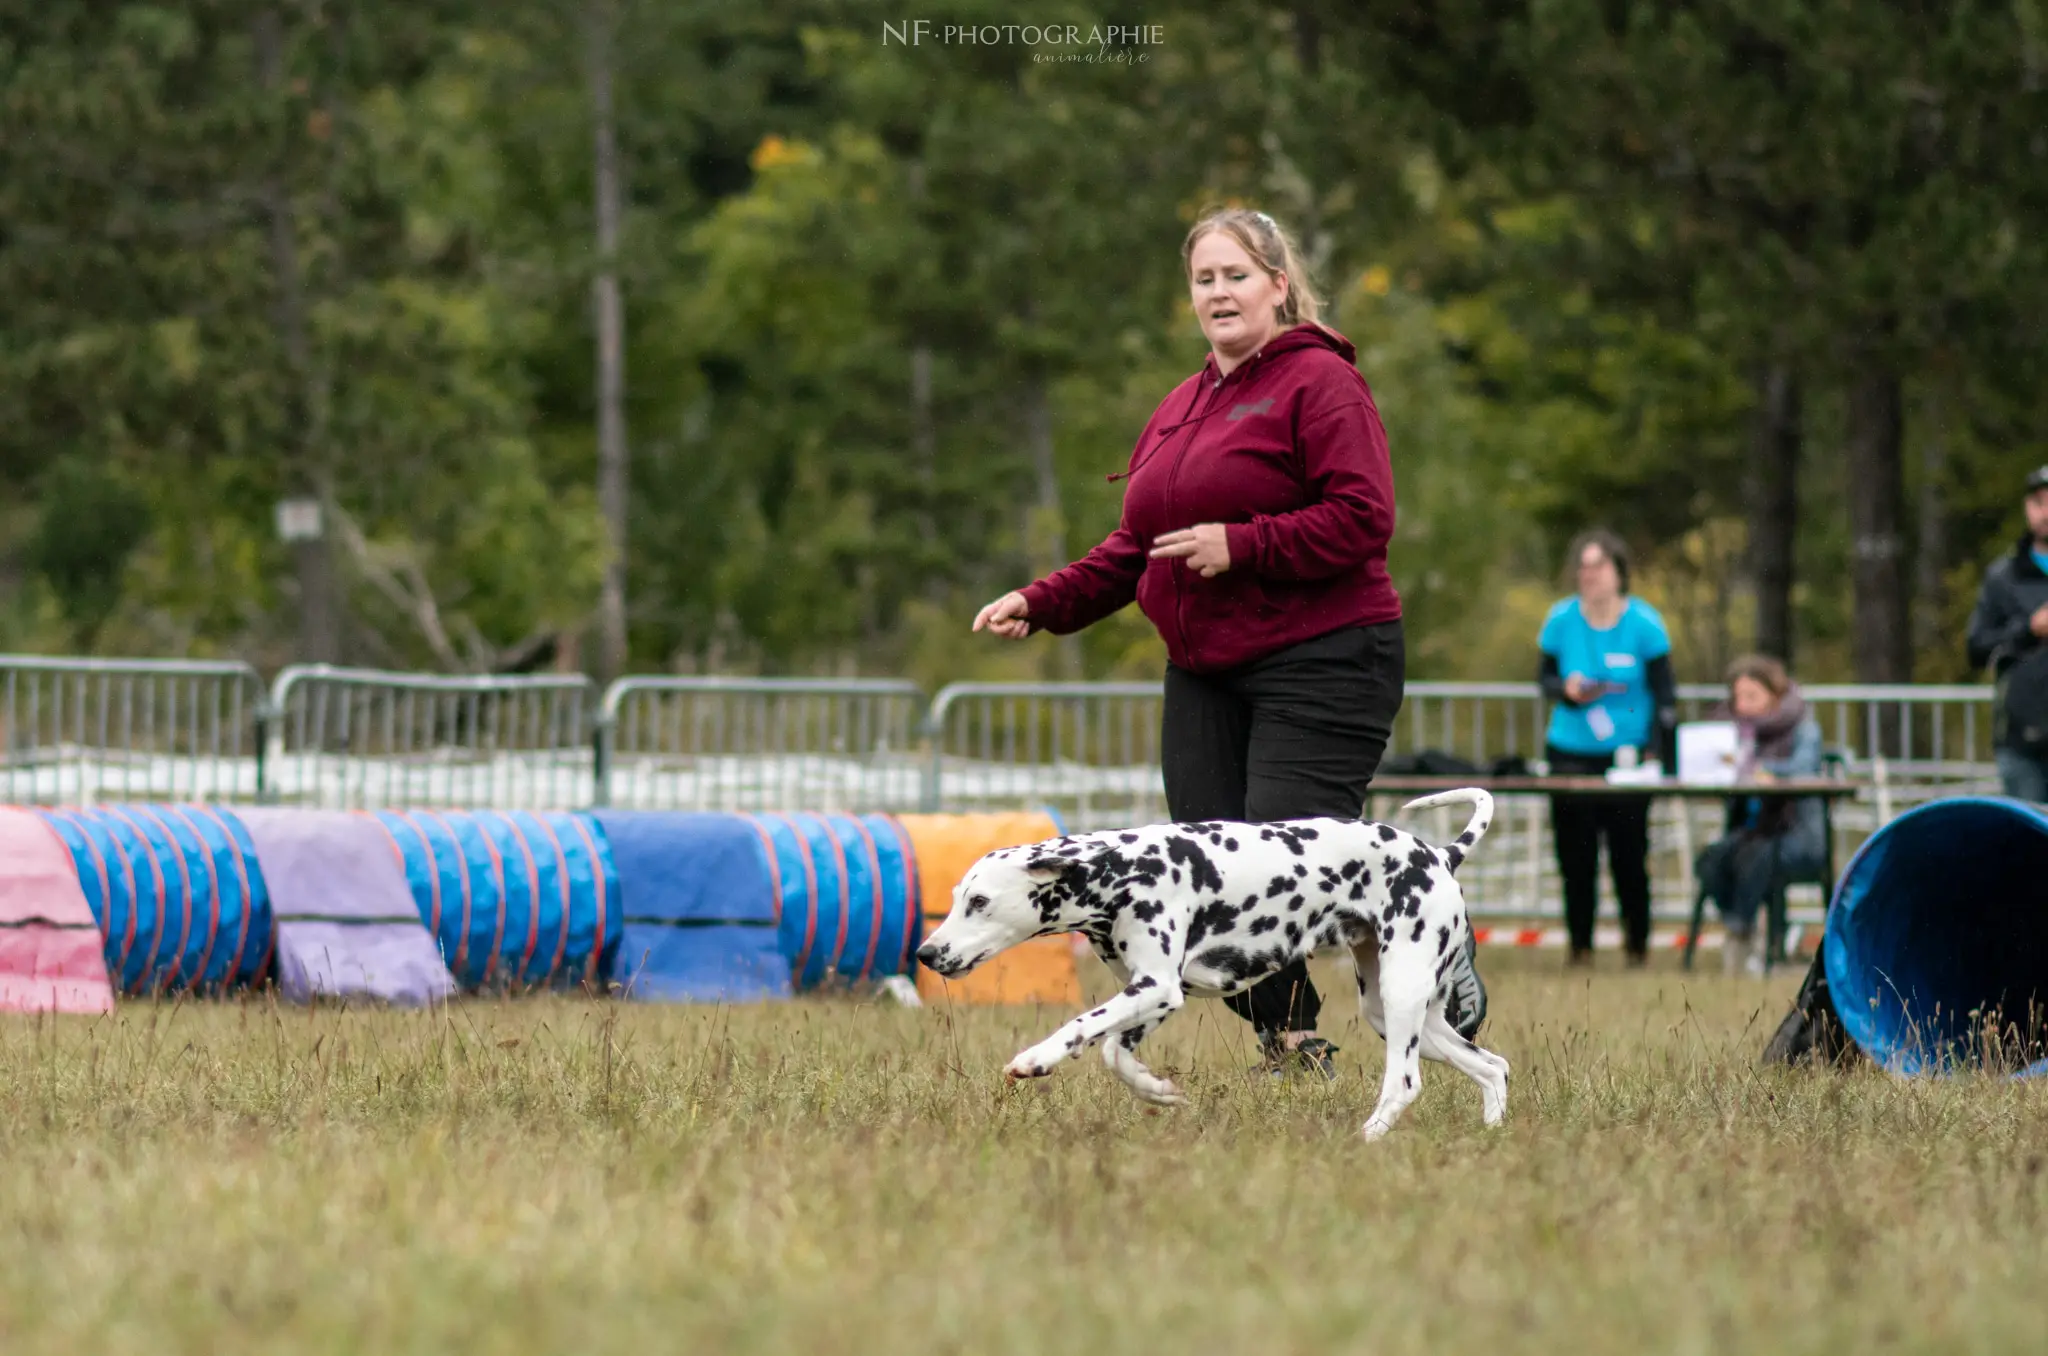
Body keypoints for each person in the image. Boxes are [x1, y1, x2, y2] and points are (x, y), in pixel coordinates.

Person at [971, 206, 1488, 1078]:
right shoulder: (1182, 403)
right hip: (1207, 671)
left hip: (1325, 655)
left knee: (1284, 848)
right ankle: (1291, 1043)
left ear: (1278, 286)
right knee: (1215, 868)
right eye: (1204, 279)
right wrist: (1043, 600)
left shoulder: (1322, 384)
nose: (1218, 293)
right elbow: (1136, 546)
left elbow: (1364, 519)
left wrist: (1241, 543)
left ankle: (1438, 944)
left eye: (1237, 276)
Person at [1537, 529, 1677, 968]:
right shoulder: (1561, 619)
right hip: (1570, 749)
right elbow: (1543, 680)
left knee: (1629, 854)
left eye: (1598, 565)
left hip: (1628, 755)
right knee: (1575, 855)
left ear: (1619, 572)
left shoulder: (1645, 623)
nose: (1589, 574)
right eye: (1583, 566)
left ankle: (1637, 947)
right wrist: (1567, 688)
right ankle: (1580, 949)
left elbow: (1665, 694)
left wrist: (1658, 751)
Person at [1693, 655, 1825, 977]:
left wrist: (1761, 771)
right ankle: (1745, 930)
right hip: (1751, 833)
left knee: (1756, 855)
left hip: (1796, 835)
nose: (1743, 705)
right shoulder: (1735, 734)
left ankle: (1744, 939)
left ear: (1774, 693)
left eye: (1752, 696)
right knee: (1711, 860)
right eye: (1738, 697)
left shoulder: (1803, 728)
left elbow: (1804, 770)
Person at [1966, 465, 2048, 802]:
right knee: (2029, 844)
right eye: (2039, 502)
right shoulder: (2003, 577)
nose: (2047, 512)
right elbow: (1976, 648)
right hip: (2022, 743)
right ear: (2027, 508)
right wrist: (2028, 630)